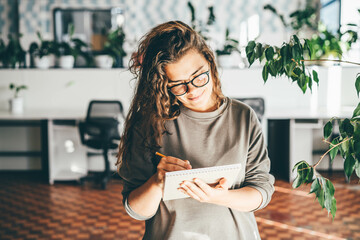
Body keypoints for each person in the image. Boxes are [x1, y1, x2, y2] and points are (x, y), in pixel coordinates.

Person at [117, 20, 275, 240]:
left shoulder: (243, 117)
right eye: (179, 84)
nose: (192, 90)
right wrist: (157, 182)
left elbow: (261, 192)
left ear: (210, 63)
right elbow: (136, 210)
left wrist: (218, 197)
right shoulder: (149, 122)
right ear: (164, 84)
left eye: (199, 76)